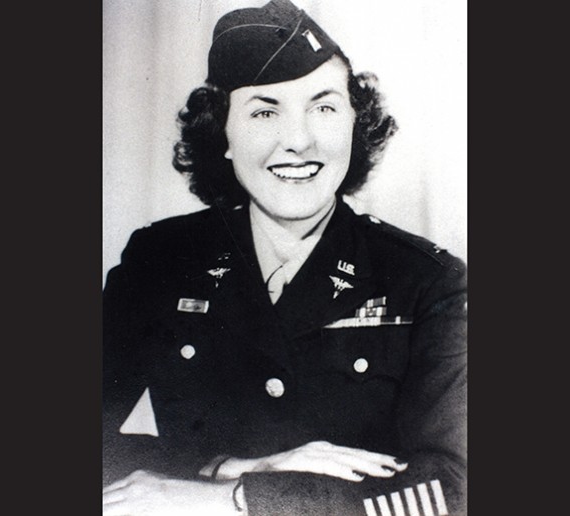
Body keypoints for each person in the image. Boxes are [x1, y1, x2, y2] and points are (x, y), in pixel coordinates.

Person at [102, 0, 466, 514]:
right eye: (264, 111)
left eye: (323, 107)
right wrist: (231, 468)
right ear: (222, 135)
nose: (298, 141)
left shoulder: (430, 283)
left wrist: (235, 500)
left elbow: (454, 489)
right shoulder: (159, 260)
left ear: (353, 127)